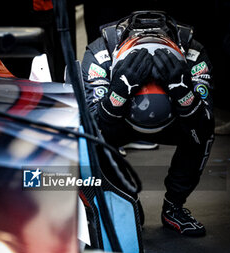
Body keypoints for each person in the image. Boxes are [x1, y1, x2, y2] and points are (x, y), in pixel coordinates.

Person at [81, 10, 215, 237]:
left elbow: (205, 122)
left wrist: (182, 92)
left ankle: (174, 206)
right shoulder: (99, 54)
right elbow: (94, 126)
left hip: (177, 118)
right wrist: (118, 94)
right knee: (88, 134)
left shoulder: (193, 53)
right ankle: (124, 198)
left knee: (203, 132)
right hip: (118, 119)